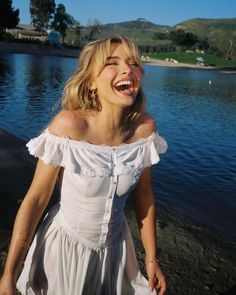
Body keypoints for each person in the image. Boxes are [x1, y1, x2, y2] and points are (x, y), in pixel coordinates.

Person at [0, 35, 167, 295]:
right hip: (64, 250)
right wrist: (9, 273)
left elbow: (144, 195)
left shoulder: (145, 130)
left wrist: (152, 259)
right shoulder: (68, 125)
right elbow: (36, 199)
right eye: (112, 63)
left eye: (133, 63)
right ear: (90, 82)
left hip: (116, 250)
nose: (128, 69)